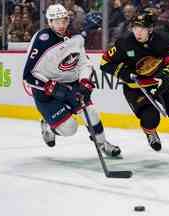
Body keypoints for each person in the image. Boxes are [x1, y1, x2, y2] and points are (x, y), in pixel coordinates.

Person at [100, 9, 169, 156]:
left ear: (151, 29)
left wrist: (166, 76)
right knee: (150, 118)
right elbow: (105, 63)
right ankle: (150, 132)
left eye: (142, 28)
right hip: (137, 88)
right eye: (135, 28)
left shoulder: (165, 39)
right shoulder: (124, 43)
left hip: (163, 83)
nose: (138, 32)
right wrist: (125, 74)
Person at [22, 4, 121, 157]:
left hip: (71, 84)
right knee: (70, 129)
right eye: (56, 21)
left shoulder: (76, 37)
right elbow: (28, 75)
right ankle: (48, 124)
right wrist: (50, 87)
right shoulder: (42, 40)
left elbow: (83, 63)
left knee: (91, 112)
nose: (61, 25)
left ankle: (103, 144)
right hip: (46, 92)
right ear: (49, 22)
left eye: (63, 20)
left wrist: (84, 81)